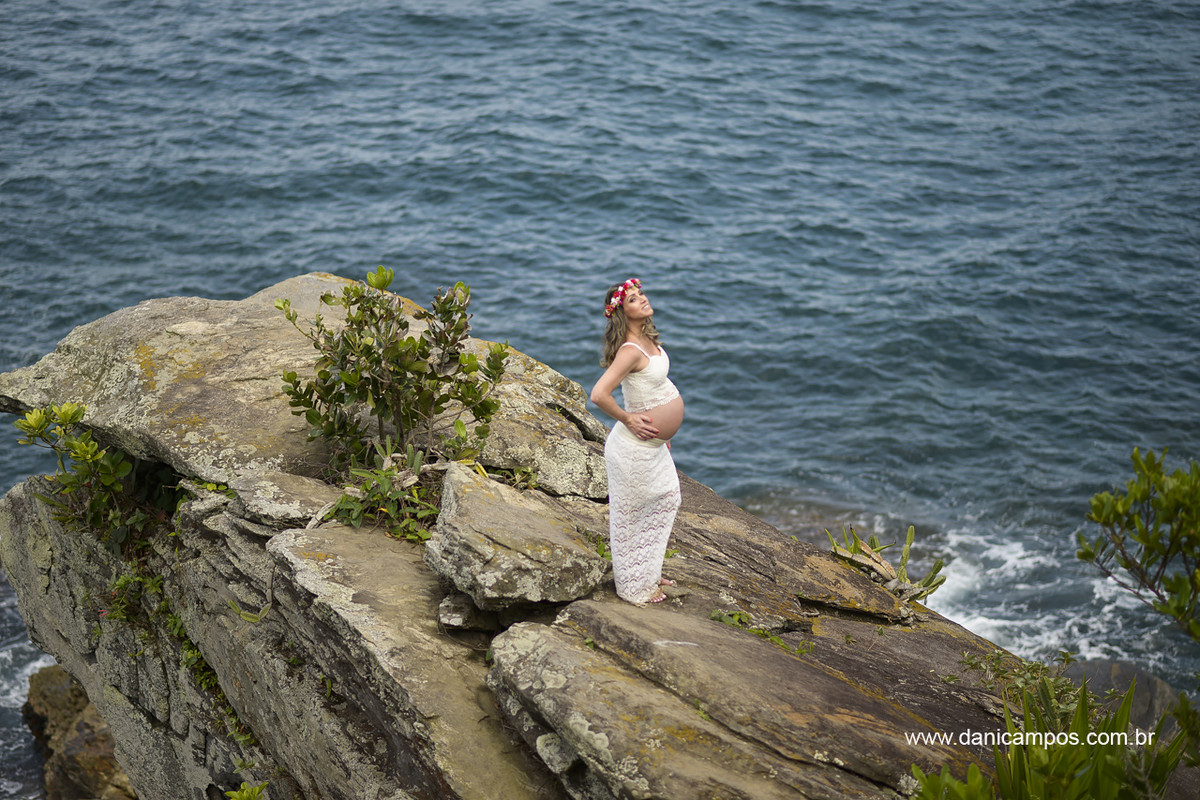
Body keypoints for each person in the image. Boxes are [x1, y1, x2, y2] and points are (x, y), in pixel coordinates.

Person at [590, 278, 684, 604]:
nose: (641, 299)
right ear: (621, 312)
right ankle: (635, 587)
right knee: (631, 516)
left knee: (668, 498)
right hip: (631, 449)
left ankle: (649, 571)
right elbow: (599, 394)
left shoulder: (646, 339)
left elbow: (645, 390)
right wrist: (629, 418)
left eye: (640, 294)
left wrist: (661, 434)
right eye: (632, 299)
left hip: (651, 446)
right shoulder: (630, 350)